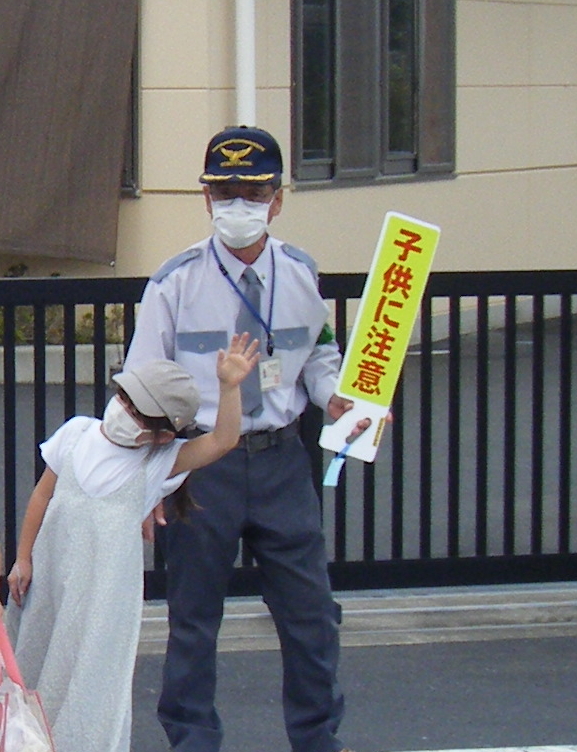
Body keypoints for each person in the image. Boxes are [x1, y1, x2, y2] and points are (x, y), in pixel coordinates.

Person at [123, 125, 365, 752]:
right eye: (224, 192)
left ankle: (318, 740)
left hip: (283, 459)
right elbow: (142, 389)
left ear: (277, 199)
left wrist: (336, 395)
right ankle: (193, 741)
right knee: (194, 619)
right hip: (203, 466)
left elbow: (316, 356)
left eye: (252, 192)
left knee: (312, 617)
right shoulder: (174, 282)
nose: (238, 205)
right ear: (206, 200)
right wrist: (147, 481)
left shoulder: (301, 272)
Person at [4, 334, 260, 752]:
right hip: (49, 578)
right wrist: (23, 557)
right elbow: (42, 495)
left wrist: (229, 387)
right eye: (124, 398)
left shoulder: (159, 462)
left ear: (161, 435)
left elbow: (222, 440)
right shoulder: (77, 433)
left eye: (139, 413)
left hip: (103, 600)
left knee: (88, 679)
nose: (122, 410)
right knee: (33, 656)